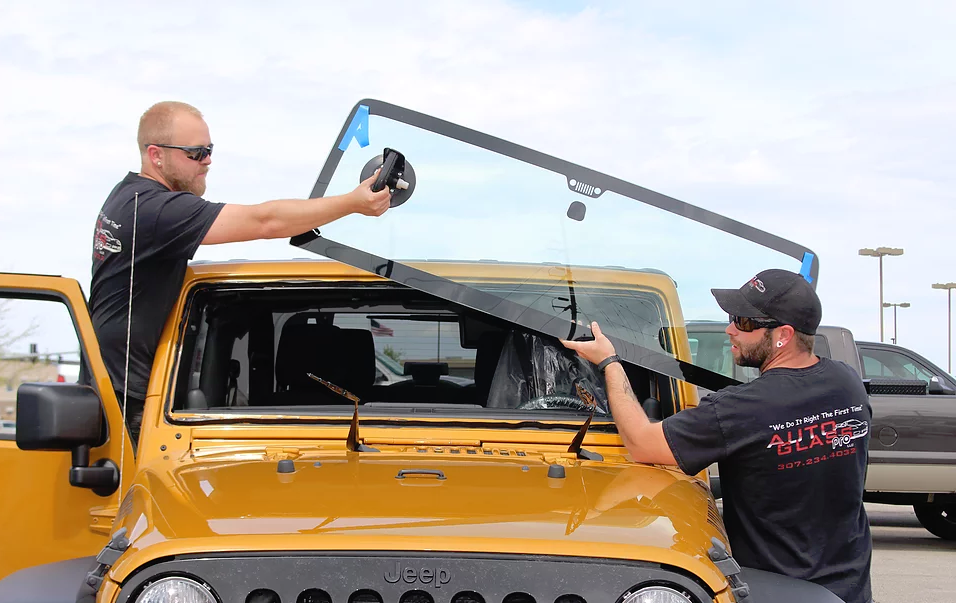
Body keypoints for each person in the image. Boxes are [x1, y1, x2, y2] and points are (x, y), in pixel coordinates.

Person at [562, 268, 873, 603]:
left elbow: (640, 442)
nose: (730, 329)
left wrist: (609, 362)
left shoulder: (741, 409)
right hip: (851, 589)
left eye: (744, 321)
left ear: (783, 334)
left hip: (778, 590)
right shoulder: (847, 383)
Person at [90, 101, 391, 445]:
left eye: (209, 150)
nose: (207, 160)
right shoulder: (156, 210)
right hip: (127, 403)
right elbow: (265, 221)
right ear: (156, 155)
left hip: (118, 389)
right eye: (196, 152)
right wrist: (352, 203)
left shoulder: (127, 197)